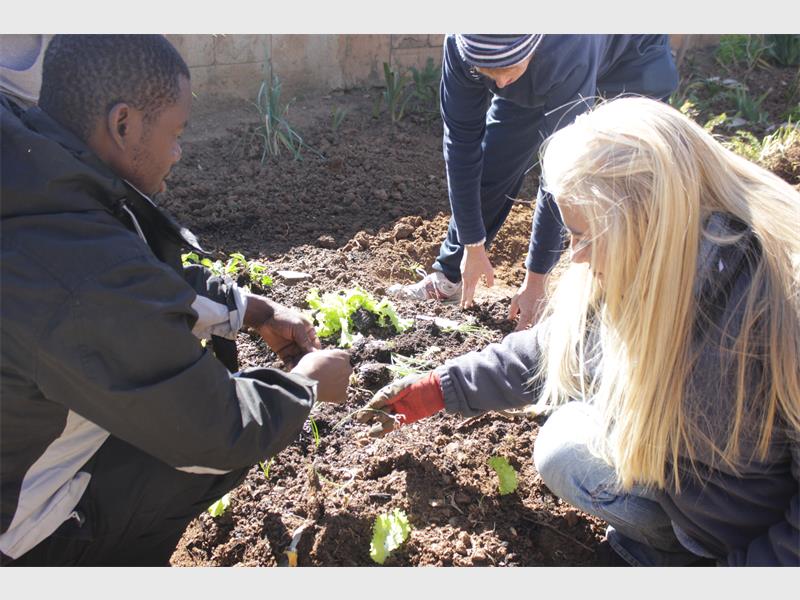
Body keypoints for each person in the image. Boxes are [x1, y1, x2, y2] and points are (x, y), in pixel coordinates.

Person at [362, 97, 800, 566]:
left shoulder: (777, 307)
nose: (576, 255)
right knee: (564, 445)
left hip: (763, 540)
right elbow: (550, 349)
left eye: (585, 235)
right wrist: (438, 389)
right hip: (693, 504)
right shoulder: (649, 266)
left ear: (646, 220)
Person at [0, 34, 353, 566]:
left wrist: (251, 309)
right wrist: (305, 386)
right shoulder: (83, 279)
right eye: (177, 133)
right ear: (123, 124)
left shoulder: (37, 175)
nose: (179, 152)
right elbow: (217, 431)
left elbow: (135, 271)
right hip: (16, 531)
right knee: (200, 447)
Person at [389, 34, 679, 331]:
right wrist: (472, 245)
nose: (500, 83)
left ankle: (618, 297)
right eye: (489, 72)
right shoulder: (461, 45)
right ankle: (450, 275)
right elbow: (461, 145)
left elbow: (562, 173)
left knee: (617, 179)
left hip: (629, 64)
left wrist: (536, 280)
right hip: (539, 70)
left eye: (507, 68)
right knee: (497, 159)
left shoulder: (569, 44)